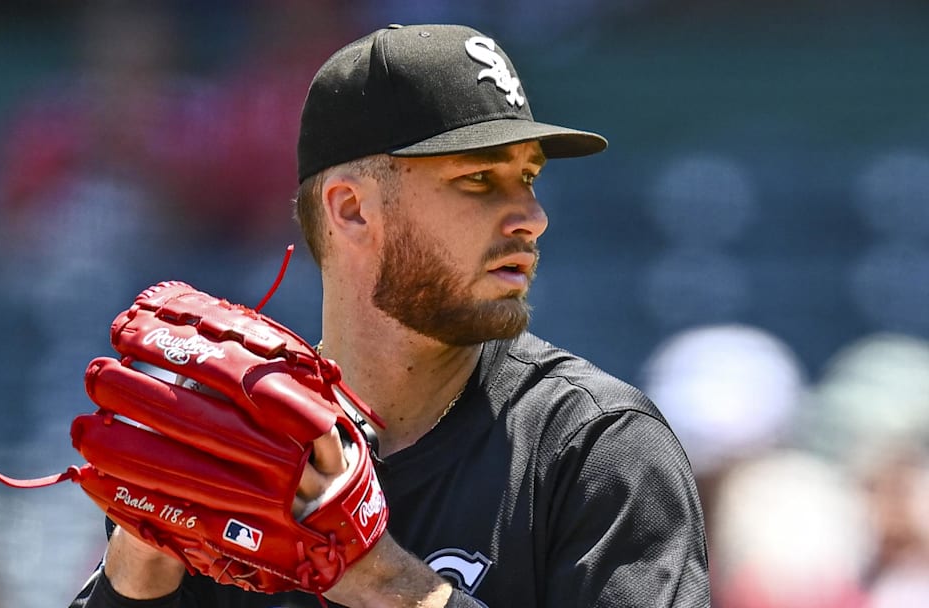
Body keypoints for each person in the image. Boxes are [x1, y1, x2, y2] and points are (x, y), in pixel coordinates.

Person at [71, 23, 710, 608]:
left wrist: (384, 581)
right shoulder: (226, 449)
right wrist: (138, 569)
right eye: (481, 180)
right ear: (351, 210)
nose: (531, 216)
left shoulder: (593, 452)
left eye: (530, 177)